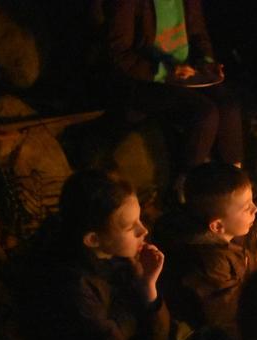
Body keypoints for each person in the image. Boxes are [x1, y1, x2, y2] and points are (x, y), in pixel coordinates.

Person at [18, 169, 174, 340]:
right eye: (129, 226)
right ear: (92, 239)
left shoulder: (117, 260)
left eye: (139, 219)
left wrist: (148, 290)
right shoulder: (71, 289)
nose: (143, 231)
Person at [102, 0, 243, 196]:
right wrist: (165, 72)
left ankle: (235, 186)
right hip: (146, 79)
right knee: (205, 113)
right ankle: (186, 187)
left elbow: (198, 34)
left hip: (184, 72)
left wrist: (206, 63)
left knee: (229, 106)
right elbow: (120, 54)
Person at [159, 162, 257, 332]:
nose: (255, 208)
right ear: (217, 226)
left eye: (252, 201)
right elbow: (227, 314)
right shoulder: (210, 265)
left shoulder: (229, 234)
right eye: (246, 207)